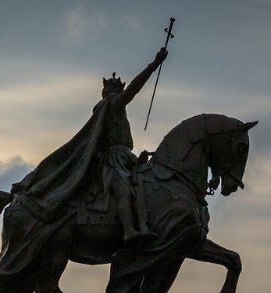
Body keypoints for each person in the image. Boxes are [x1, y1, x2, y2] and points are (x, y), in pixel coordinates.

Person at [11, 47, 168, 242]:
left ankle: (146, 224)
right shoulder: (113, 104)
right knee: (123, 187)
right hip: (114, 160)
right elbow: (134, 88)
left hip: (127, 156)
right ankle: (129, 230)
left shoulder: (108, 108)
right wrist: (153, 65)